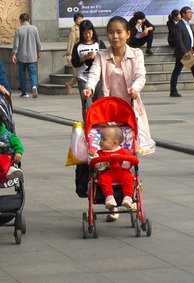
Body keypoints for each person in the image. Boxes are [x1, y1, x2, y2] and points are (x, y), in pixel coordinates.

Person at [82, 16, 152, 221]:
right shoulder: (102, 55)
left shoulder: (136, 54)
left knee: (125, 160)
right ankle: (111, 202)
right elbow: (94, 74)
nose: (115, 36)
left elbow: (141, 75)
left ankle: (127, 195)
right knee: (104, 160)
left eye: (119, 32)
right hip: (106, 114)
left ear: (128, 34)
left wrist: (135, 88)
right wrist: (88, 87)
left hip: (128, 112)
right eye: (111, 32)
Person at [71, 19, 106, 121]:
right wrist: (84, 58)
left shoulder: (99, 44)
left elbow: (105, 58)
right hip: (83, 78)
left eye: (89, 32)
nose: (87, 35)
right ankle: (88, 125)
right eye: (85, 33)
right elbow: (75, 63)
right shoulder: (78, 46)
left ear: (93, 31)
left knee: (98, 103)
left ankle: (98, 124)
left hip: (97, 79)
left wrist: (96, 57)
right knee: (87, 104)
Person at [93, 126, 135, 209]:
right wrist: (94, 158)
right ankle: (109, 198)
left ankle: (127, 197)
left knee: (128, 178)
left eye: (103, 139)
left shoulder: (123, 152)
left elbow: (130, 162)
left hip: (121, 171)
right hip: (107, 172)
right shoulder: (100, 153)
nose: (100, 142)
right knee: (104, 179)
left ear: (114, 143)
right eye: (100, 139)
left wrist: (124, 162)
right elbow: (97, 166)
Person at [170, 6, 194, 98]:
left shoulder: (188, 24)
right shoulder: (179, 25)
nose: (191, 14)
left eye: (191, 12)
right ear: (183, 14)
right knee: (178, 71)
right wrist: (184, 52)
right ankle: (173, 91)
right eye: (189, 12)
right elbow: (179, 40)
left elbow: (192, 38)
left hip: (191, 51)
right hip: (184, 53)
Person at [12, 13, 41, 98]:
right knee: (33, 73)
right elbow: (38, 43)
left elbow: (16, 44)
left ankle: (24, 92)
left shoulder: (19, 30)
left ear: (20, 20)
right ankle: (34, 86)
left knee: (22, 74)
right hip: (32, 55)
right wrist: (38, 52)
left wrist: (14, 54)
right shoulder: (34, 29)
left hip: (22, 56)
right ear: (29, 20)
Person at [64, 12, 84, 95]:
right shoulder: (74, 30)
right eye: (78, 19)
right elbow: (71, 42)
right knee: (77, 74)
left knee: (81, 73)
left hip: (83, 52)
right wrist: (69, 54)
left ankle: (70, 84)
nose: (80, 20)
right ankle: (69, 84)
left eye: (81, 18)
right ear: (75, 20)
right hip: (76, 54)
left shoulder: (84, 27)